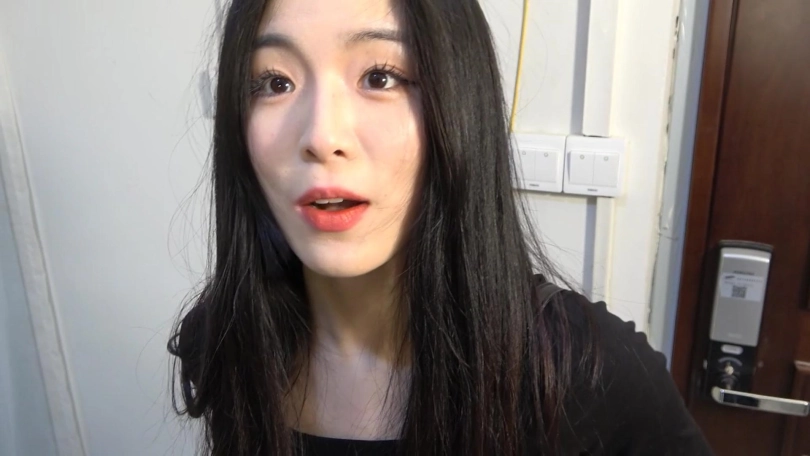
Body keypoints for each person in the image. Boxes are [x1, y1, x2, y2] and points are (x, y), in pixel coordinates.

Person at [167, 0, 714, 454]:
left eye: (380, 77)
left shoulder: (588, 374)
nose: (321, 135)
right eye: (274, 82)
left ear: (459, 103)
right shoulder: (221, 340)